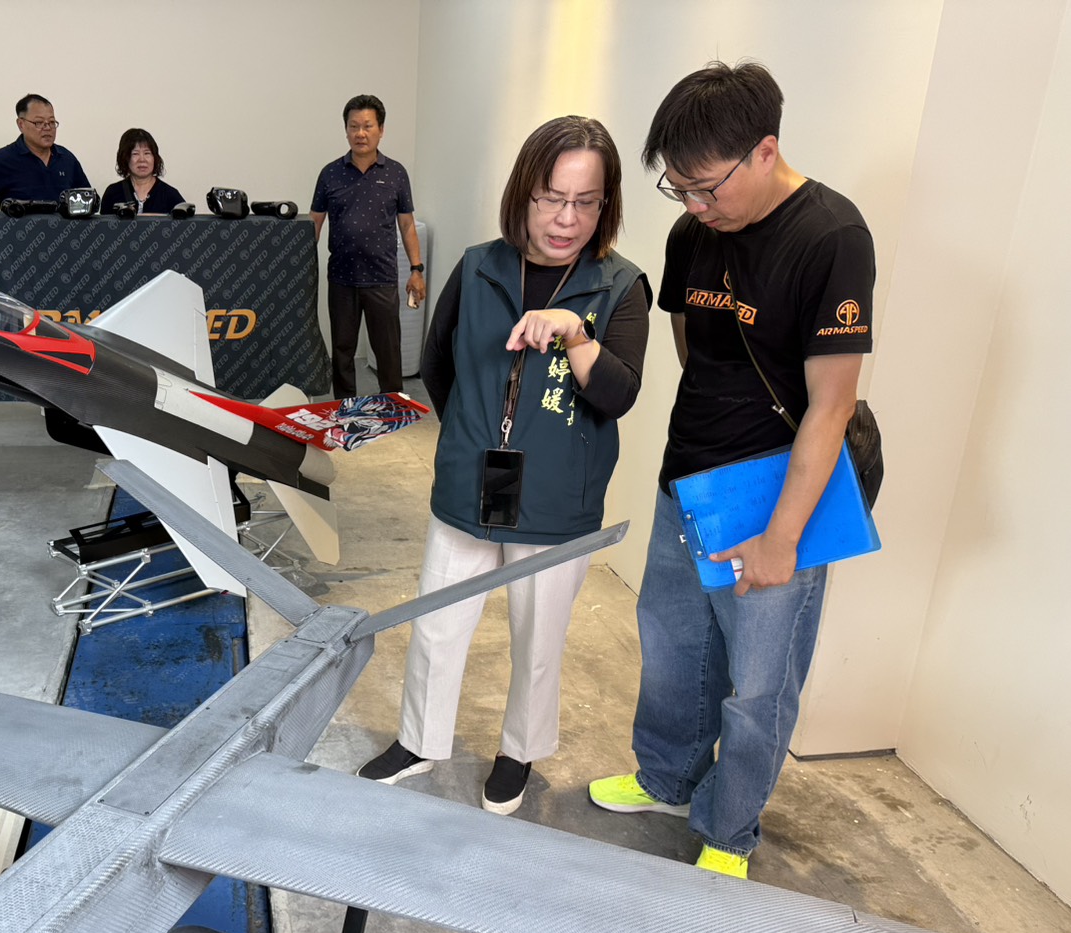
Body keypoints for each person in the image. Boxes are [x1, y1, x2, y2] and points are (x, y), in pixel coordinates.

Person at [588, 61, 874, 880]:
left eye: (706, 187)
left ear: (764, 151)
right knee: (672, 649)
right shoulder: (691, 236)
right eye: (677, 189)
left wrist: (781, 536)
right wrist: (695, 465)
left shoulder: (830, 237)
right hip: (688, 480)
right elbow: (698, 353)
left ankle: (728, 827)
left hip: (775, 492)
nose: (693, 207)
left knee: (757, 683)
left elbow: (831, 404)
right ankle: (666, 778)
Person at [357, 116, 651, 816]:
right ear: (523, 193)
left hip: (556, 499)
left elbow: (618, 395)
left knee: (537, 637)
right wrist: (473, 432)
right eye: (552, 198)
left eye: (586, 202)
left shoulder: (619, 286)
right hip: (470, 482)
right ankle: (419, 740)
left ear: (605, 205)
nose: (566, 218)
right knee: (437, 621)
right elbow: (437, 363)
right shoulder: (479, 266)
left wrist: (577, 336)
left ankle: (518, 751)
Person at [310, 94, 425, 398]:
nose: (360, 133)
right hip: (342, 279)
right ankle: (345, 409)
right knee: (342, 352)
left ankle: (392, 408)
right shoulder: (330, 174)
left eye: (367, 126)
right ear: (346, 130)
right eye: (354, 126)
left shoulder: (396, 173)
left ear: (381, 130)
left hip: (382, 279)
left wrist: (417, 270)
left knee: (388, 352)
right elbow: (315, 223)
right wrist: (301, 268)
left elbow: (407, 225)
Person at [0, 94, 90, 211]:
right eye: (39, 123)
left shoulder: (66, 158)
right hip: (20, 227)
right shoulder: (2, 159)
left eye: (51, 122)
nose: (47, 128)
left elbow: (86, 198)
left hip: (62, 227)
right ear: (21, 124)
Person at [100, 129, 186, 214]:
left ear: (155, 158)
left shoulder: (169, 194)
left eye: (147, 153)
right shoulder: (112, 193)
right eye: (135, 154)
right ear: (125, 158)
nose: (142, 159)